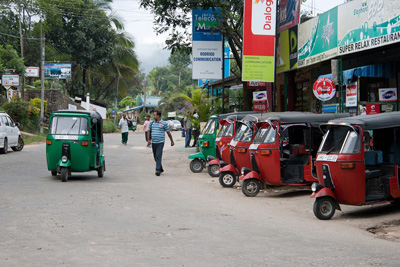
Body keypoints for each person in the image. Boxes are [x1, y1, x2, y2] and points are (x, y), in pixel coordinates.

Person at [147, 111, 175, 176]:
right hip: (154, 142)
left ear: (158, 116)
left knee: (158, 156)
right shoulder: (151, 123)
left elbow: (168, 132)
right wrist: (148, 140)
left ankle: (157, 170)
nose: (153, 116)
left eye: (154, 115)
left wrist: (172, 141)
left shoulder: (164, 123)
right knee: (155, 157)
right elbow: (148, 131)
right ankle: (160, 168)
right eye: (153, 115)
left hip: (160, 142)